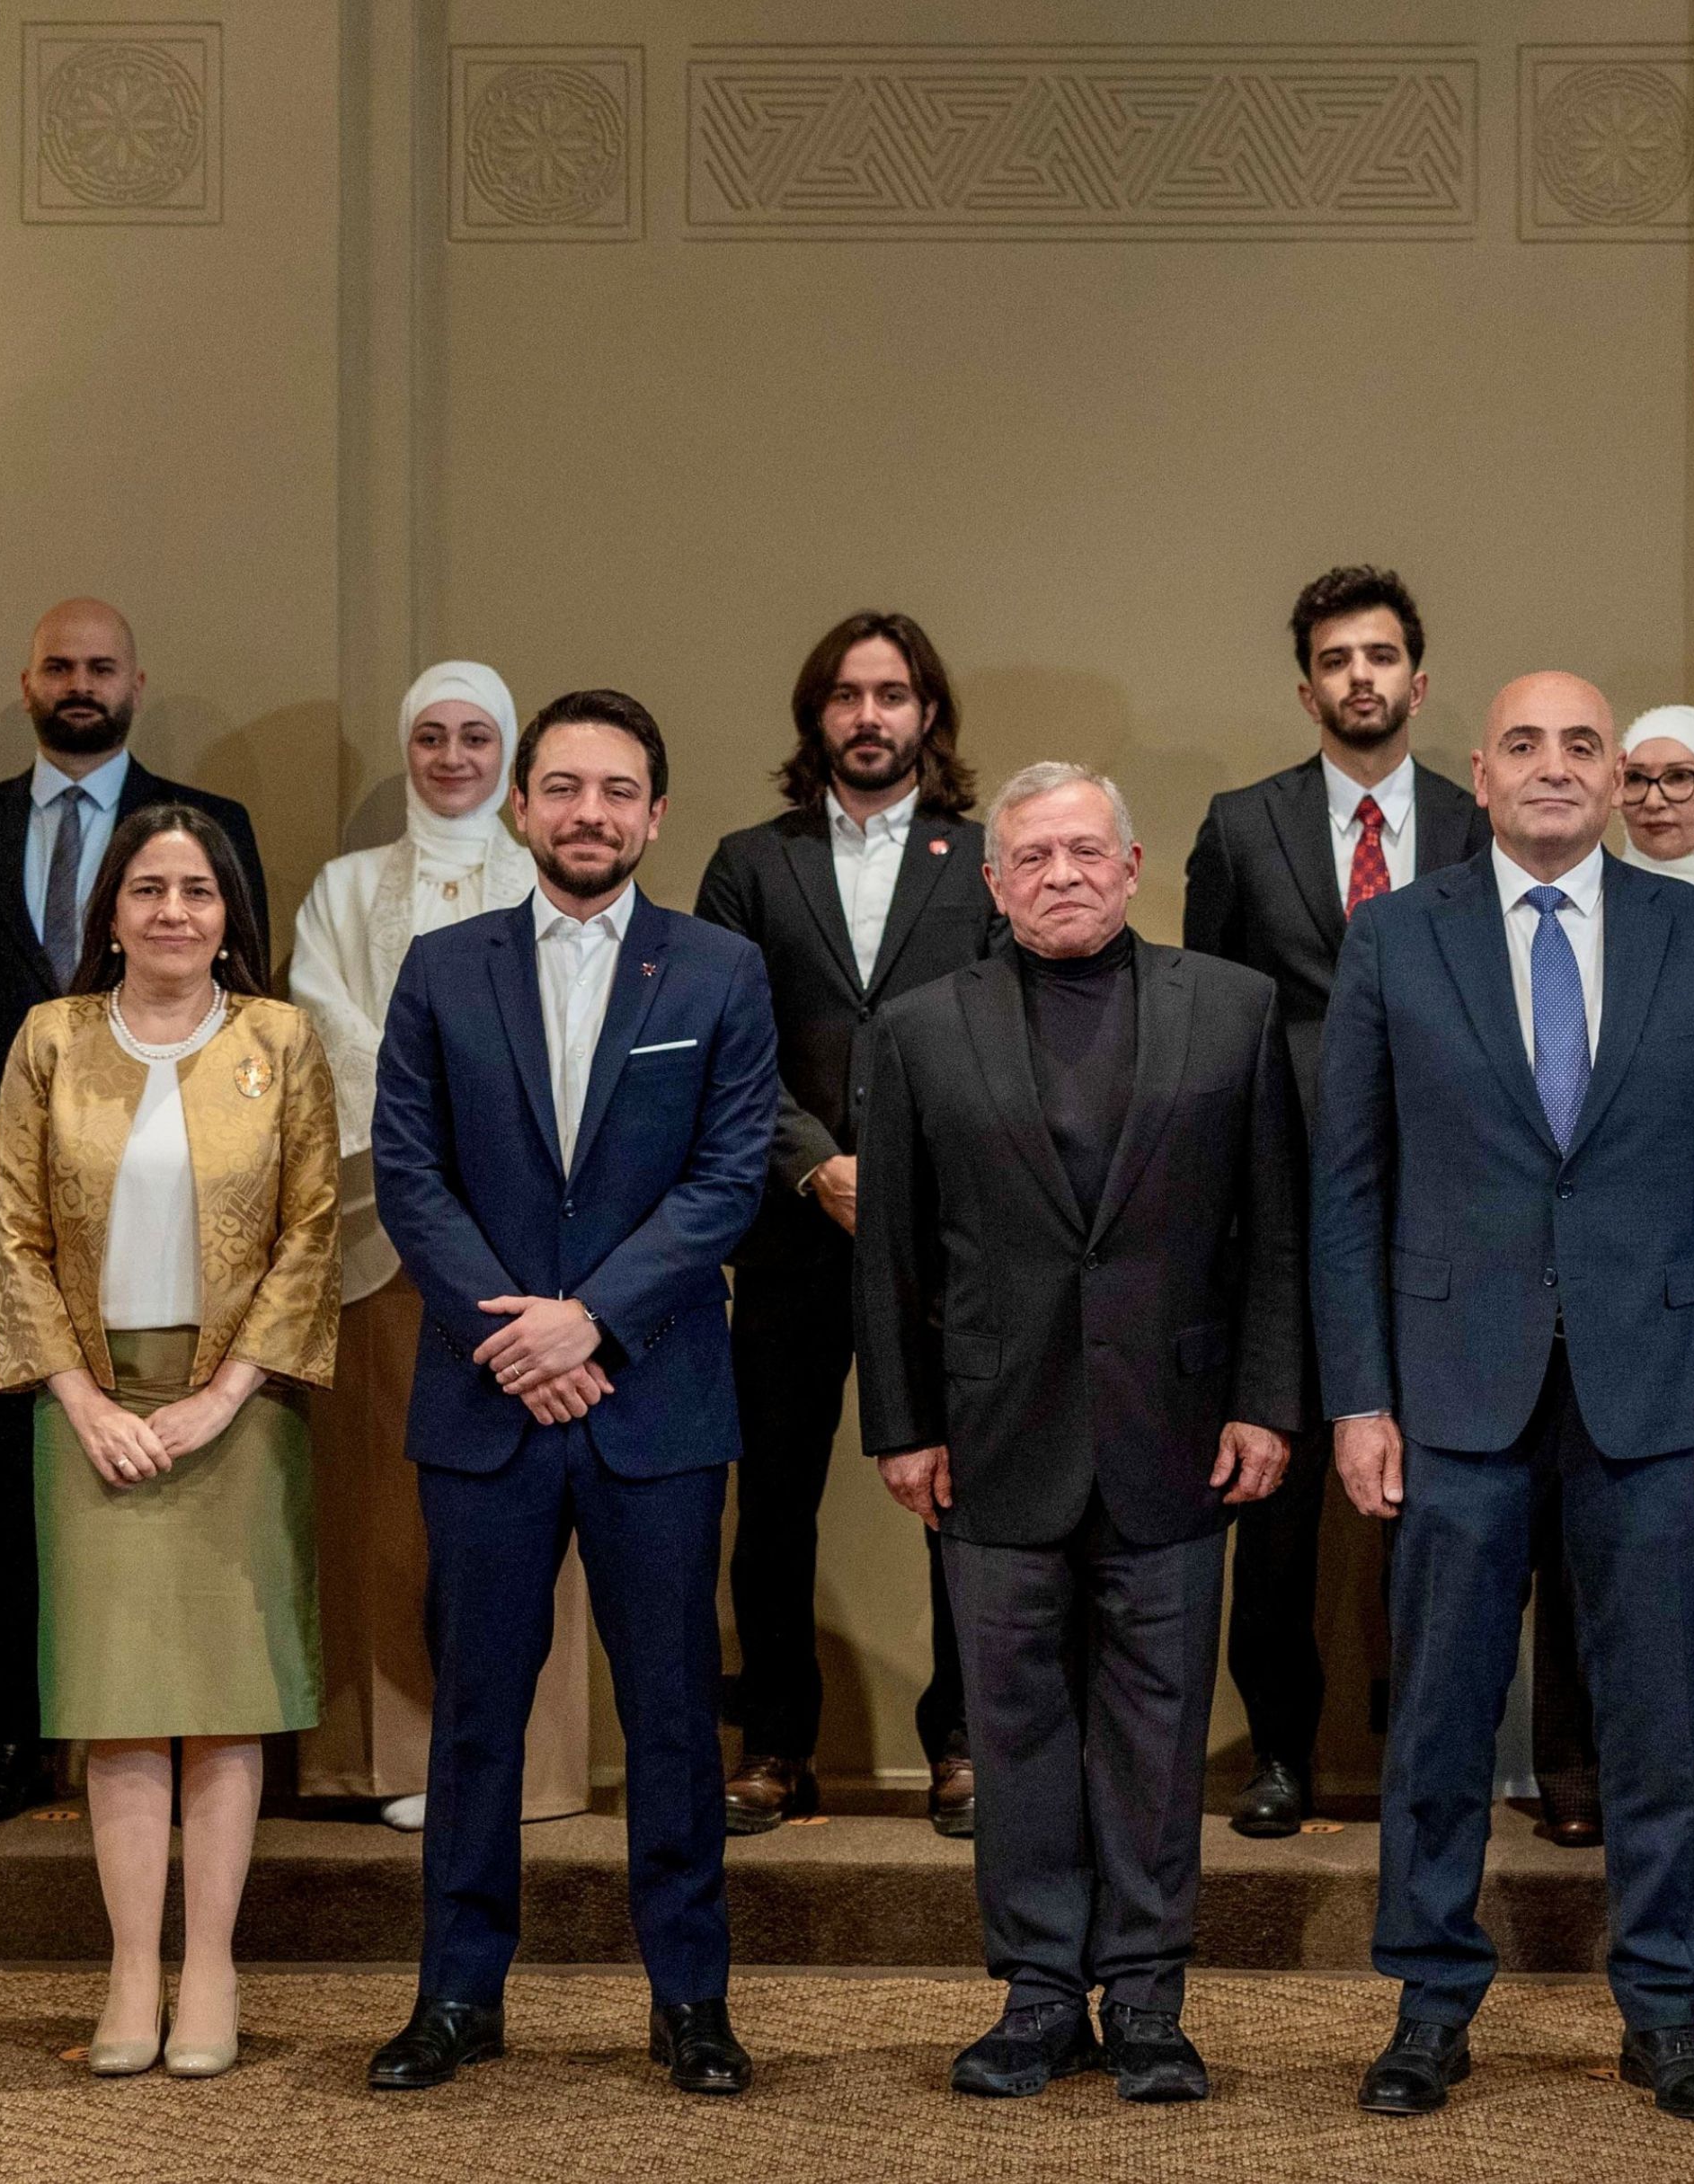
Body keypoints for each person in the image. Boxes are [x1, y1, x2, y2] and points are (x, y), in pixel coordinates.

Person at [1315, 670, 1694, 2123]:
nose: (1555, 765)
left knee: (1654, 1726)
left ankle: (1665, 2012)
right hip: (1450, 1390)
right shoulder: (1396, 934)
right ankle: (1428, 2005)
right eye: (1525, 742)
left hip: (1654, 1391)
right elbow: (1347, 1189)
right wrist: (1358, 1395)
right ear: (1480, 772)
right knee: (1440, 1724)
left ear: (1614, 776)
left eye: (1584, 744)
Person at [856, 763, 1303, 2103]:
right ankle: (1042, 1993)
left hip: (1180, 1428)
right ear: (995, 883)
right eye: (1034, 857)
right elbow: (890, 1255)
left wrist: (1266, 1399)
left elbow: (1274, 1232)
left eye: (1086, 851)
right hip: (992, 1437)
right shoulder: (922, 1028)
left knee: (1160, 1734)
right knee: (1015, 1730)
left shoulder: (1233, 1008)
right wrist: (902, 1425)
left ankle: (1151, 2000)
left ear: (1133, 864)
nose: (1063, 874)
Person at [363, 689, 781, 2098]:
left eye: (616, 790)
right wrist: (518, 1335)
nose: (588, 812)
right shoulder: (442, 967)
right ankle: (456, 1995)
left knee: (671, 1714)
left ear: (655, 814)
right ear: (520, 805)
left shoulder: (720, 969)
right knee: (477, 1713)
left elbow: (728, 1178)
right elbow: (409, 1172)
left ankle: (691, 1999)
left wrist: (590, 1320)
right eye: (562, 786)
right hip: (488, 1398)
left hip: (655, 1396)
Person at [0, 599, 271, 1829]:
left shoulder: (209, 827)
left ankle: (182, 1734)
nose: (79, 682)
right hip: (2, 1219)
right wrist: (8, 1153)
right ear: (25, 683)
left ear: (136, 683)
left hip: (181, 1222)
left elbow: (243, 1001)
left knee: (184, 1476)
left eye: (100, 666)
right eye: (57, 665)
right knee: (15, 1477)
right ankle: (16, 1735)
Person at [0, 804, 340, 2077]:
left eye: (197, 890)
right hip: (87, 1400)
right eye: (148, 889)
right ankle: (132, 1968)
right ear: (112, 914)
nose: (173, 912)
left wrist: (221, 1396)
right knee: (121, 1700)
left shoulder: (280, 1040)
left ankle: (212, 1967)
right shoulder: (51, 1038)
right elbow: (15, 1233)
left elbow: (311, 1228)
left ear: (230, 914)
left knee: (222, 1696)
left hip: (237, 1404)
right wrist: (85, 1402)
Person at [1179, 564, 1483, 1836]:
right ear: (1307, 690)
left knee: (1452, 1498)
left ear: (1420, 679)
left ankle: (1433, 1752)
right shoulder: (1241, 826)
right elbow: (1204, 1024)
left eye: (1381, 655)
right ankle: (1280, 1754)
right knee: (1279, 1507)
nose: (1361, 677)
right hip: (1288, 1213)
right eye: (1336, 660)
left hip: (1452, 1208)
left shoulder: (1476, 823)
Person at [690, 610, 1001, 1836]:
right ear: (815, 715)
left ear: (929, 713)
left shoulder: (984, 858)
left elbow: (1005, 1032)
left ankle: (965, 1742)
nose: (869, 716)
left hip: (946, 1239)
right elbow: (724, 1042)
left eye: (893, 694)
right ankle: (775, 1745)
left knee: (959, 1494)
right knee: (772, 1503)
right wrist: (815, 1165)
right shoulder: (748, 864)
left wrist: (912, 1175)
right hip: (789, 1234)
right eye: (846, 695)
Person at [288, 661, 592, 1833]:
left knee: (532, 1508)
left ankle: (534, 1770)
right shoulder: (343, 888)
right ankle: (391, 1758)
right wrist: (438, 1122)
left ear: (507, 753)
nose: (453, 755)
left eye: (476, 735)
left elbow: (577, 1036)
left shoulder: (549, 877)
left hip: (532, 1250)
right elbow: (327, 1027)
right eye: (431, 734)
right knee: (390, 1507)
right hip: (387, 1231)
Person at [1512, 706, 1694, 1851]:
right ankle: (1578, 1772)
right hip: (1584, 1284)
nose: (1653, 799)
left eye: (1681, 778)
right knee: (1571, 1532)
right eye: (1635, 778)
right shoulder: (1569, 915)